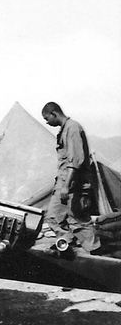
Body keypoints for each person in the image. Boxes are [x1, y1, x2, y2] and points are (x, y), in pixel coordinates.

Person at [41, 102, 100, 254]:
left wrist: (66, 186)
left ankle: (96, 253)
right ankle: (68, 244)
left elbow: (75, 161)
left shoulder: (72, 128)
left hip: (75, 185)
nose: (47, 122)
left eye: (47, 118)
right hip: (63, 183)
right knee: (53, 217)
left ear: (54, 113)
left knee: (78, 221)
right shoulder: (64, 129)